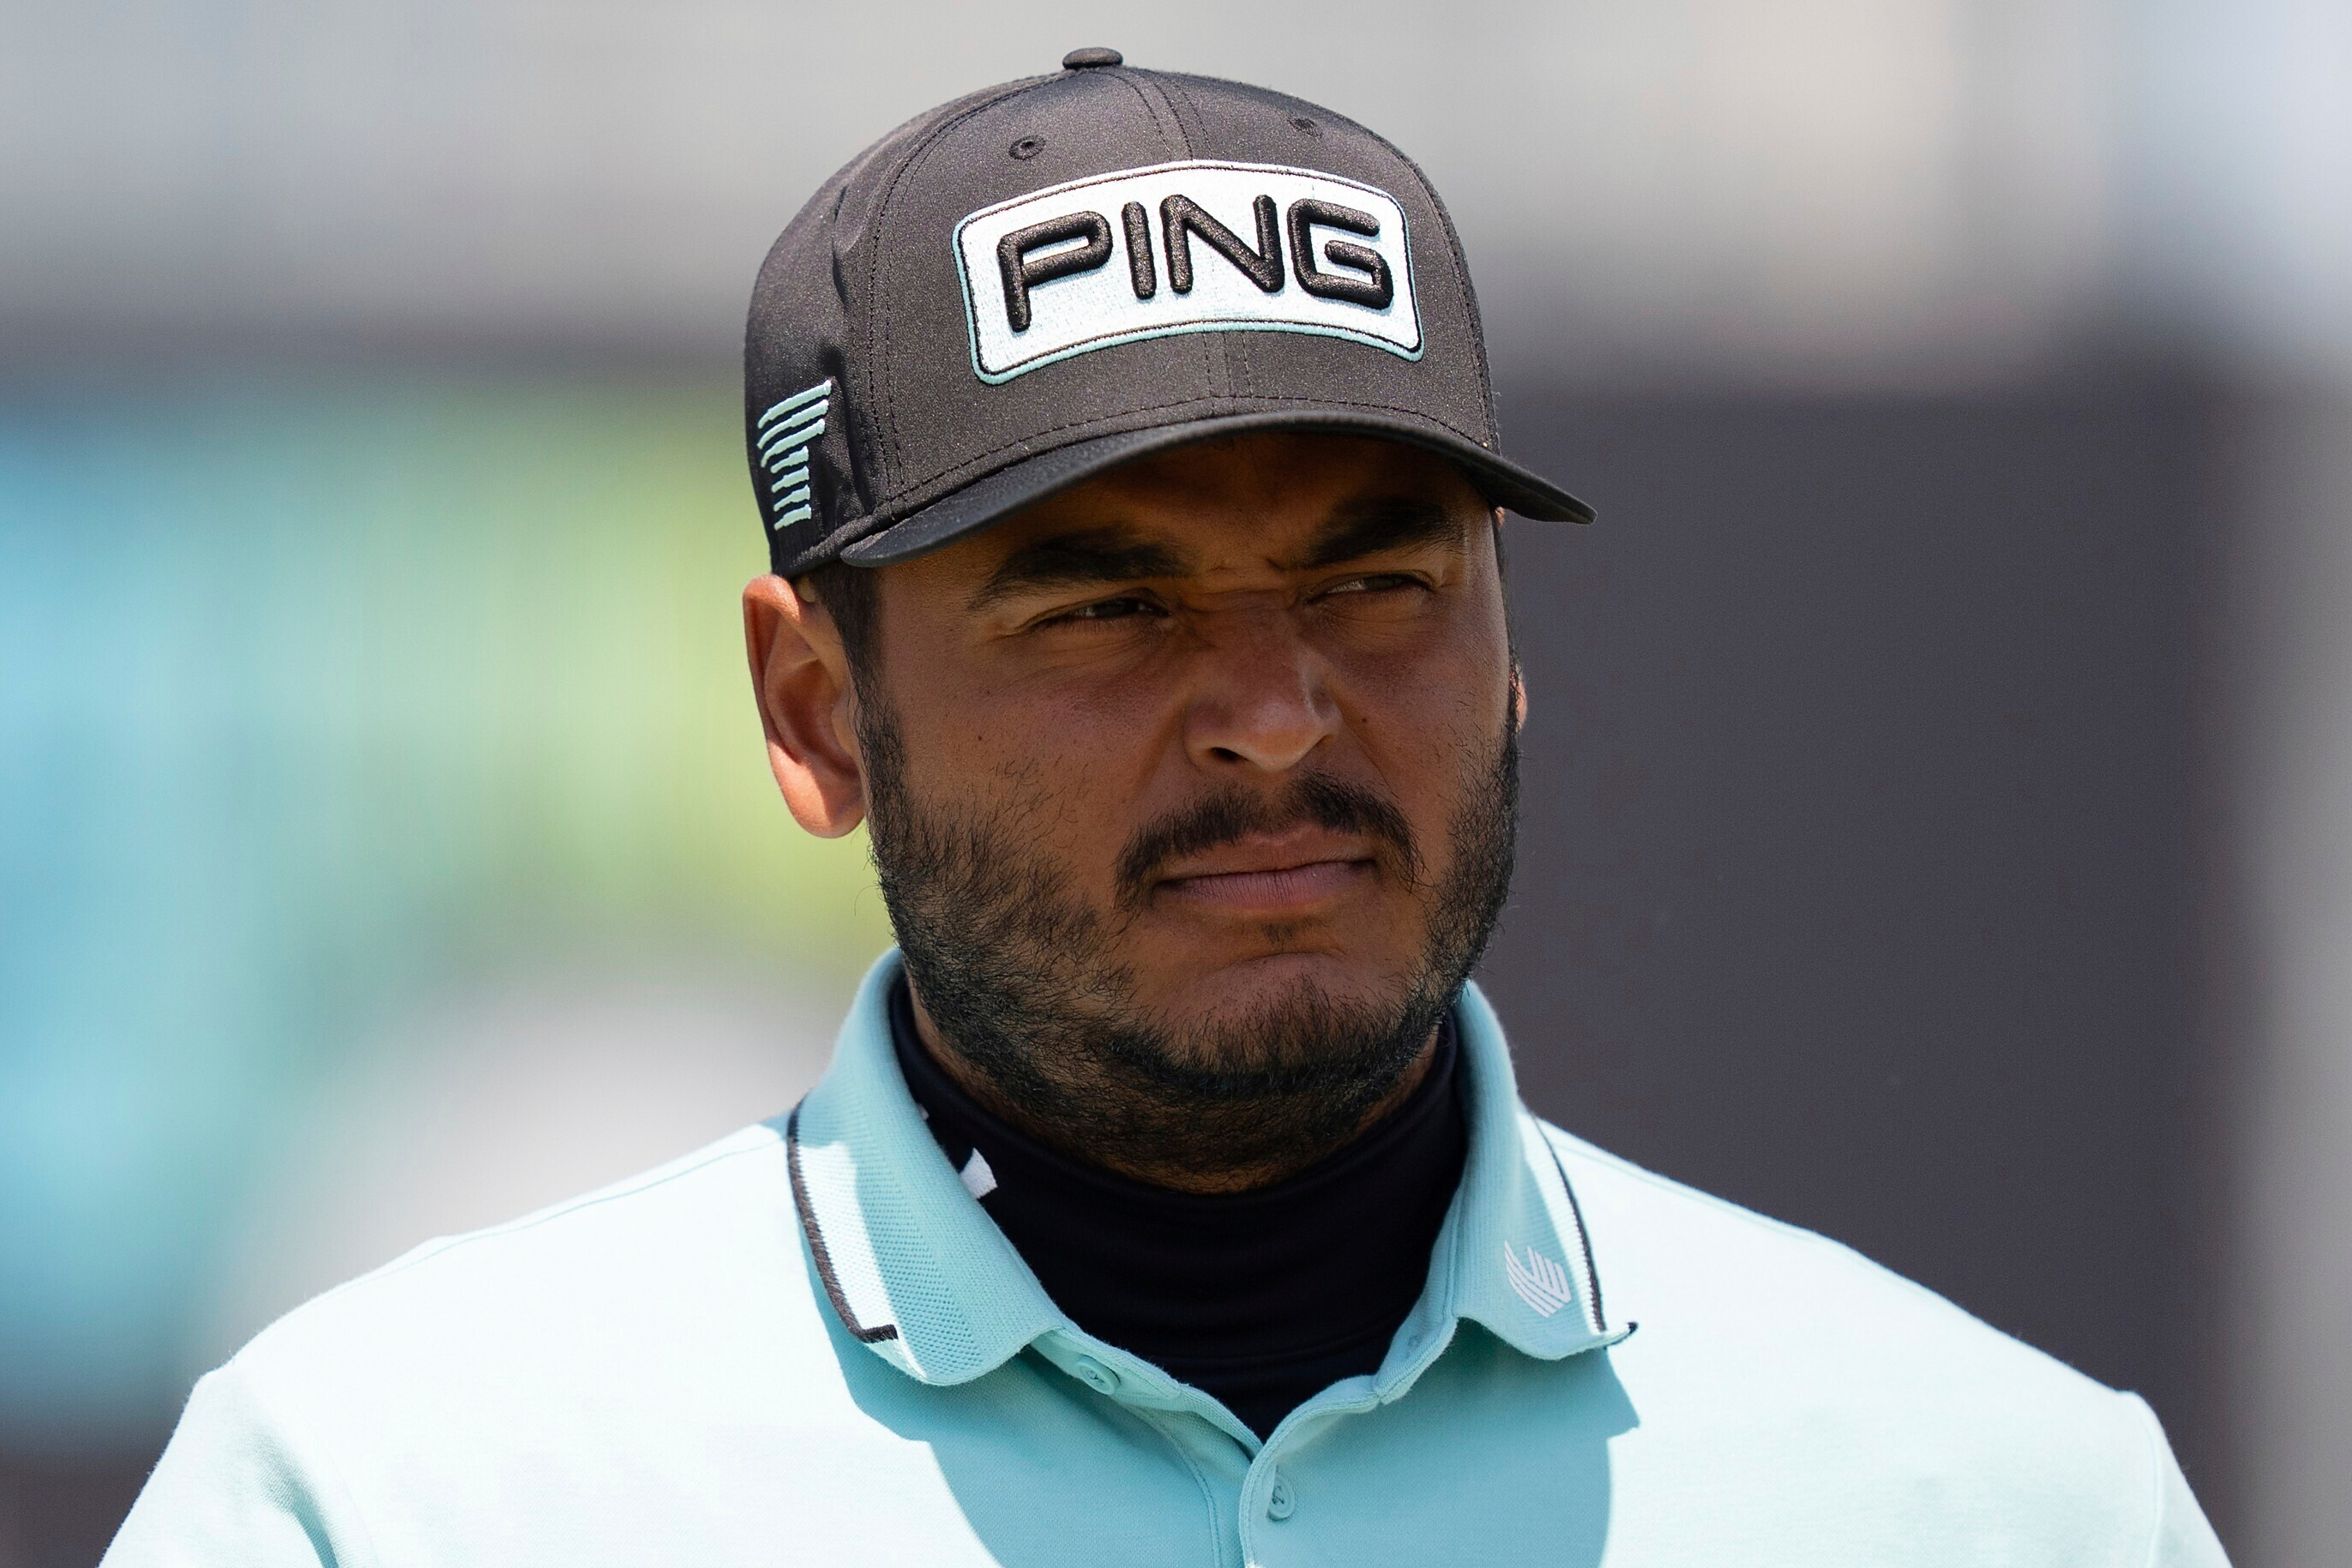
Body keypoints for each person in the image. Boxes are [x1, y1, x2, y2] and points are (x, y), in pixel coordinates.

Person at [107, 50, 2229, 1566]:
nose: (1275, 717)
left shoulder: (2005, 1503)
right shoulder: (389, 1502)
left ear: (1504, 640)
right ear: (811, 708)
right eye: (1106, 602)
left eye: (1374, 578)